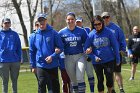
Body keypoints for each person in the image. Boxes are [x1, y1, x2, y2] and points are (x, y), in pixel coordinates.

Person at [84, 15, 120, 93]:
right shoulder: (91, 35)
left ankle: (110, 91)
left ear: (102, 23)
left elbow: (115, 46)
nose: (97, 26)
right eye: (95, 24)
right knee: (100, 80)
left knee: (109, 79)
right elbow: (85, 49)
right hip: (97, 62)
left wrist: (118, 59)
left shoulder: (108, 32)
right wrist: (93, 57)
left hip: (109, 60)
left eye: (99, 24)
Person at [29, 13, 64, 93]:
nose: (41, 23)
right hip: (40, 65)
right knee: (41, 84)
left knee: (55, 86)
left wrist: (53, 56)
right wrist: (33, 66)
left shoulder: (53, 33)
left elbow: (61, 47)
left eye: (43, 20)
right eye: (39, 21)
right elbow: (32, 51)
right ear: (38, 22)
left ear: (46, 21)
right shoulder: (34, 36)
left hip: (53, 64)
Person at [58, 12, 88, 93]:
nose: (70, 21)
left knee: (79, 77)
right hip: (68, 57)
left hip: (80, 56)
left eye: (72, 19)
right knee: (73, 80)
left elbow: (87, 43)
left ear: (75, 20)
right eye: (68, 19)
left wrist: (89, 49)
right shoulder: (61, 32)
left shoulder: (82, 31)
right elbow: (58, 45)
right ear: (66, 20)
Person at [101, 12, 126, 93]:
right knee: (109, 74)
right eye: (104, 17)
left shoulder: (116, 28)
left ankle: (121, 89)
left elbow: (122, 39)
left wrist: (123, 49)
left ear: (110, 17)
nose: (105, 19)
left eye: (107, 17)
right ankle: (112, 90)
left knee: (117, 72)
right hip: (106, 55)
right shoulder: (99, 28)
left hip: (116, 53)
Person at [0, 18, 22, 93]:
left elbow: (19, 47)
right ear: (2, 24)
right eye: (5, 23)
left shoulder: (15, 34)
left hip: (14, 61)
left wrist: (20, 58)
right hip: (3, 61)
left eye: (8, 23)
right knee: (4, 82)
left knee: (14, 81)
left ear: (10, 24)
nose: (7, 24)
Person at [75, 17, 95, 93]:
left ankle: (92, 91)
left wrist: (91, 49)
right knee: (80, 75)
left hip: (87, 55)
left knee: (90, 74)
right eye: (77, 22)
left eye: (79, 22)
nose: (78, 23)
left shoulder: (87, 30)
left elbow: (92, 41)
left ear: (82, 22)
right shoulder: (74, 31)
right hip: (79, 56)